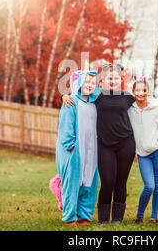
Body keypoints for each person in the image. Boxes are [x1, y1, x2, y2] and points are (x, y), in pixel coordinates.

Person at [62, 63, 136, 224]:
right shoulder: (97, 96)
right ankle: (103, 219)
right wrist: (64, 95)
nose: (112, 81)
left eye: (116, 78)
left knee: (121, 182)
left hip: (126, 143)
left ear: (121, 79)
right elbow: (80, 92)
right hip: (104, 145)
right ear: (102, 80)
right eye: (109, 78)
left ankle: (117, 219)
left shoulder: (128, 97)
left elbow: (145, 105)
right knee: (108, 181)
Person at [54, 69, 101, 226]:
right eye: (87, 81)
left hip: (91, 151)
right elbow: (66, 127)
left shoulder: (95, 104)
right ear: (79, 83)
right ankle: (69, 217)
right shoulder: (71, 101)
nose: (90, 85)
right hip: (74, 151)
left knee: (88, 183)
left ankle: (84, 216)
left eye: (93, 83)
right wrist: (71, 146)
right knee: (72, 184)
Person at [127, 76, 158, 224]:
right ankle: (139, 216)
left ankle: (154, 217)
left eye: (144, 90)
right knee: (149, 186)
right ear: (133, 92)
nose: (141, 93)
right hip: (143, 155)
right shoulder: (129, 111)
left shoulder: (156, 109)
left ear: (148, 91)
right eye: (138, 90)